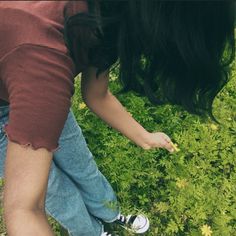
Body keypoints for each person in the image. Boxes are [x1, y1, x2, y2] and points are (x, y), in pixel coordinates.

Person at [0, 0, 235, 235]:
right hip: (16, 96)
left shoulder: (109, 14)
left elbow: (96, 94)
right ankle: (91, 232)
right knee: (55, 190)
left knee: (80, 162)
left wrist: (144, 137)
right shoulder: (44, 65)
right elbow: (24, 210)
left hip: (27, 83)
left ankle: (110, 212)